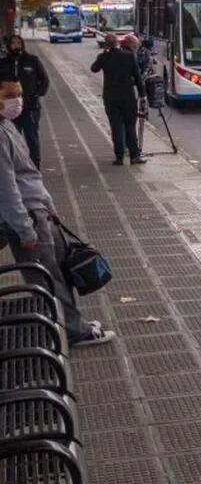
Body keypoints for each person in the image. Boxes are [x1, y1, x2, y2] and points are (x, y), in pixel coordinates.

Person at [0, 78, 116, 346]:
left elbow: (29, 172)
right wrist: (24, 228)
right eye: (9, 96)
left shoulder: (7, 126)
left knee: (60, 271)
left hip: (37, 211)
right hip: (28, 217)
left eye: (18, 94)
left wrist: (49, 207)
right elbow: (7, 188)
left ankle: (71, 323)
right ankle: (73, 331)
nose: (17, 101)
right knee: (47, 278)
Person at [90, 33, 147, 165]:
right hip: (127, 97)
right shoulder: (128, 56)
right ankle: (134, 156)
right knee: (130, 127)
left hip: (111, 98)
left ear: (106, 44)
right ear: (117, 43)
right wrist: (143, 94)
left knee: (115, 127)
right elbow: (137, 76)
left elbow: (94, 69)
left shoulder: (103, 57)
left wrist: (104, 52)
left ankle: (119, 157)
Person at [0, 34, 50, 168]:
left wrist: (37, 94)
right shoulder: (3, 63)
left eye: (18, 43)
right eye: (13, 43)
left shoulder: (32, 61)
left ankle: (35, 166)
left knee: (31, 138)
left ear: (22, 45)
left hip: (30, 107)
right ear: (9, 46)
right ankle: (15, 166)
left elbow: (44, 80)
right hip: (9, 108)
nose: (16, 45)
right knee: (11, 139)